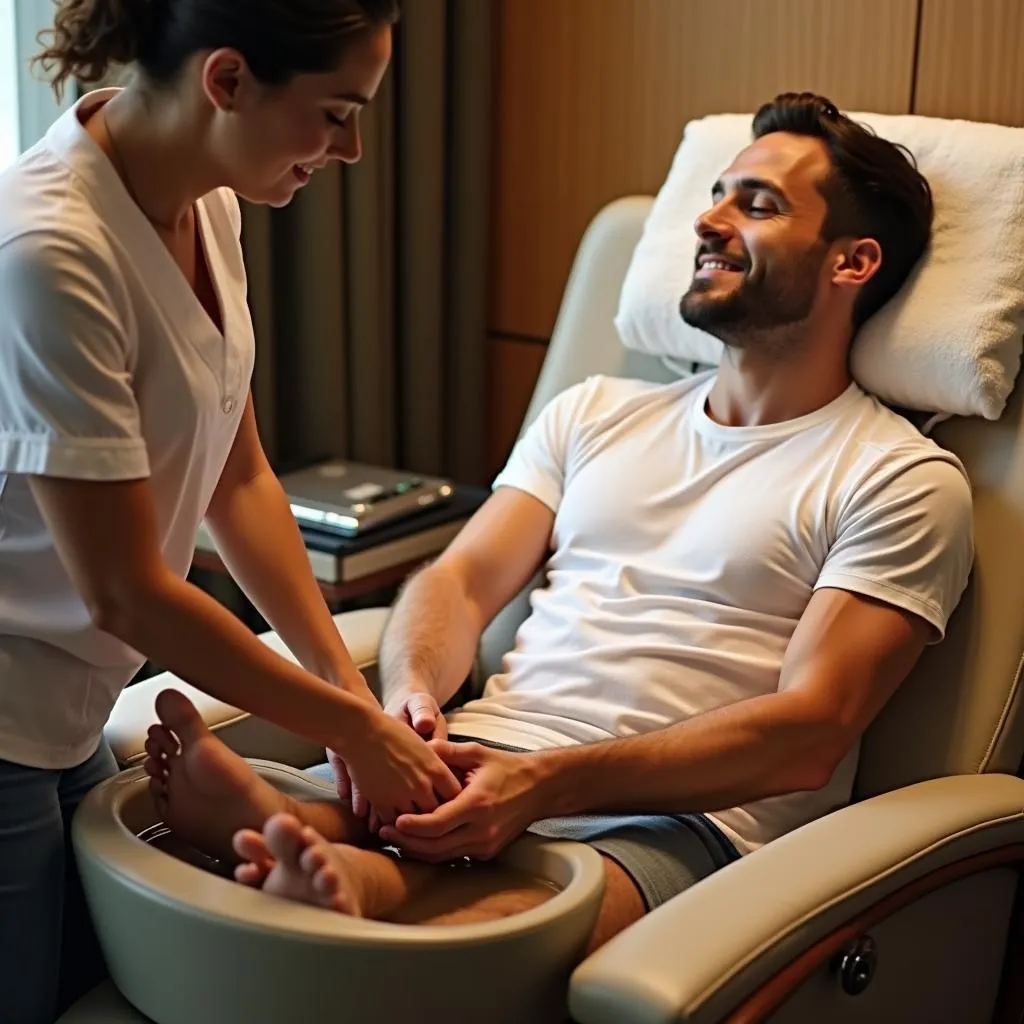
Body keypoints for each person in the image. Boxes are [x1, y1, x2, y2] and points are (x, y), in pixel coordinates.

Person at [146, 92, 974, 953]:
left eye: (756, 205)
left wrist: (542, 787)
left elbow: (809, 730)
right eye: (717, 194)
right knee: (353, 813)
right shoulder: (597, 414)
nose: (709, 220)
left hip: (676, 819)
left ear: (854, 263)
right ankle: (329, 850)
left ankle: (337, 859)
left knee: (511, 933)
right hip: (480, 754)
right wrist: (412, 697)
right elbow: (457, 582)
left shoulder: (898, 478)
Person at [0, 2, 465, 1021]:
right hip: (7, 703)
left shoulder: (208, 204)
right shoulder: (49, 251)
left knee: (101, 989)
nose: (349, 150)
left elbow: (238, 474)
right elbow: (126, 591)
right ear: (226, 81)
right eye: (336, 113)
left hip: (68, 700)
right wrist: (346, 722)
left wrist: (348, 705)